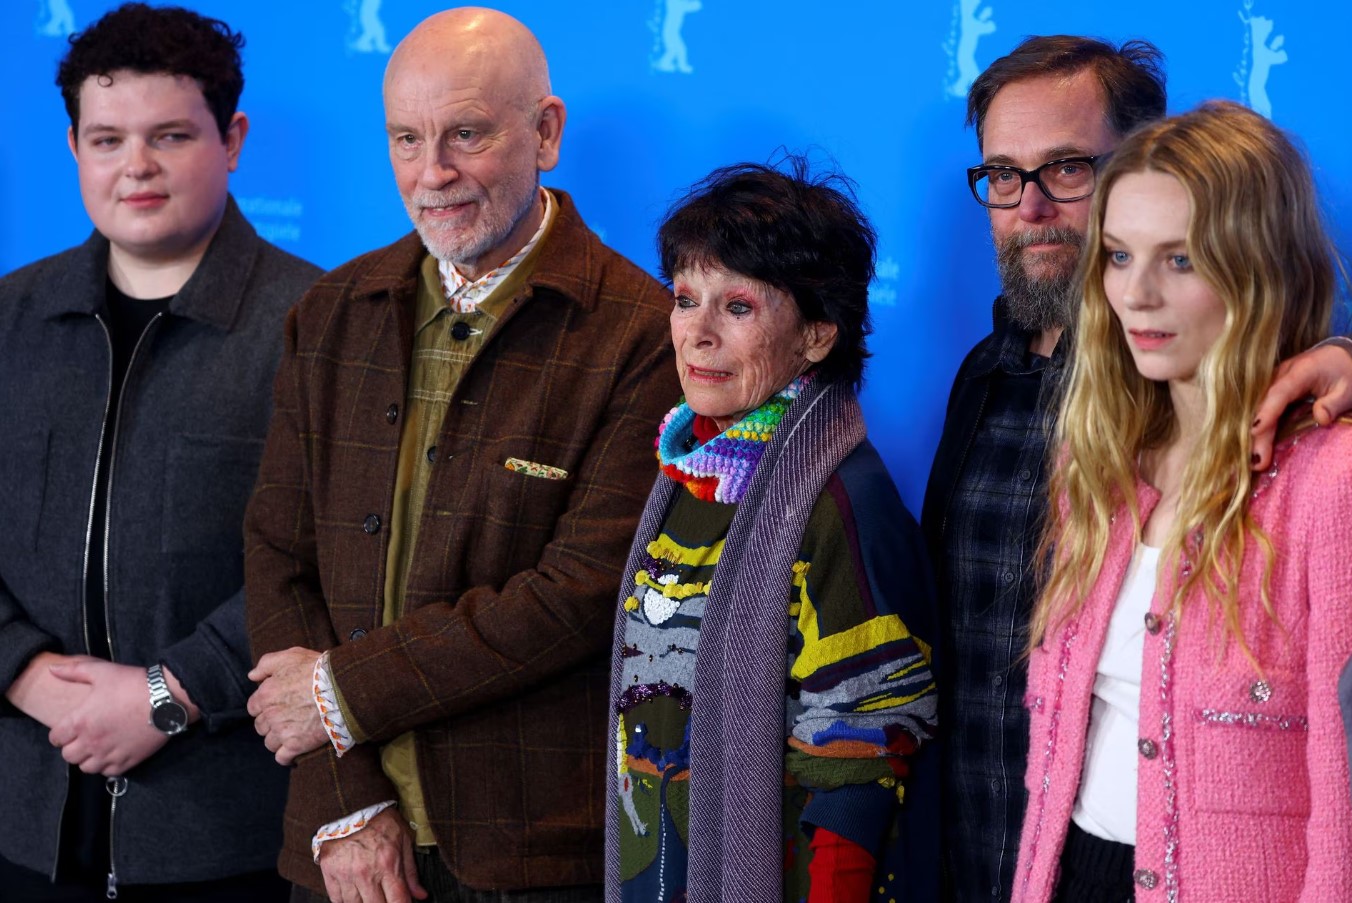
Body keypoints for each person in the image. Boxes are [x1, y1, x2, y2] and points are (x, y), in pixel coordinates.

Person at [242, 8, 678, 903]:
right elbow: (280, 555)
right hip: (340, 850)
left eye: (466, 134)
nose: (431, 173)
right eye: (407, 138)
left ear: (546, 132)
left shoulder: (643, 332)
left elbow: (582, 595)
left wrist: (338, 691)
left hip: (534, 859)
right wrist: (345, 803)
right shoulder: (331, 311)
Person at [920, 35, 1352, 902]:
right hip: (1000, 860)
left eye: (1067, 168)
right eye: (1003, 175)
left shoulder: (1315, 465)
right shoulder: (1016, 400)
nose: (1030, 205)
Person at [0, 4, 321, 900]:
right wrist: (25, 674)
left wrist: (166, 693)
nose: (134, 166)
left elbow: (342, 555)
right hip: (24, 822)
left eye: (170, 135)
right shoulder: (8, 318)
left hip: (230, 834)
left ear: (233, 139)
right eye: (107, 140)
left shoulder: (321, 325)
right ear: (72, 147)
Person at [605, 159, 940, 903]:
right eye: (685, 299)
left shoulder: (843, 502)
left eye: (739, 307)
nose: (698, 334)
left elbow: (864, 752)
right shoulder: (685, 473)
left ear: (817, 335)